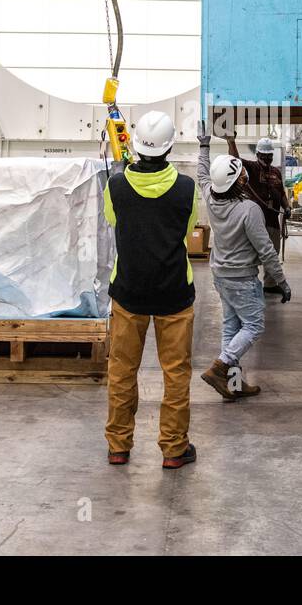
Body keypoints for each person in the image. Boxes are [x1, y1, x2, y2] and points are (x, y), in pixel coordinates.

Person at [103, 110, 201, 470]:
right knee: (175, 374)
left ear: (138, 145)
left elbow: (114, 221)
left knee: (122, 370)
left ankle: (118, 446)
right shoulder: (187, 189)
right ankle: (174, 449)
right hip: (174, 294)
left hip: (129, 292)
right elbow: (187, 229)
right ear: (170, 147)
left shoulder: (114, 188)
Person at [195, 128, 291, 401]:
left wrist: (204, 145)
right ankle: (220, 366)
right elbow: (267, 251)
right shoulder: (249, 210)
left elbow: (202, 174)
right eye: (240, 176)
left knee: (231, 326)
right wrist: (282, 283)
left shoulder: (212, 197)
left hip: (221, 276)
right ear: (237, 182)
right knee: (253, 326)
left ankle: (233, 384)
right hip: (242, 279)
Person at [225, 135, 292, 293]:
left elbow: (281, 194)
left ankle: (270, 284)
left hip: (273, 221)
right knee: (251, 254)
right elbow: (235, 159)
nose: (267, 158)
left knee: (273, 253)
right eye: (264, 155)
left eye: (269, 155)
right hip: (255, 222)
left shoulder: (276, 172)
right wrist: (231, 141)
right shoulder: (251, 168)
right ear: (258, 155)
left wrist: (287, 207)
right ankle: (248, 284)